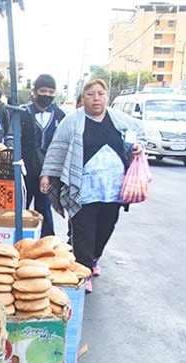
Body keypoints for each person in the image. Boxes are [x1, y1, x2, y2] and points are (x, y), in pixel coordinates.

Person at [40, 79, 142, 290]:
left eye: (100, 94)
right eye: (90, 94)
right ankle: (83, 270)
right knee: (83, 229)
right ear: (83, 98)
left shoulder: (120, 120)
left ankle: (94, 258)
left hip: (112, 189)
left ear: (107, 97)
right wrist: (47, 174)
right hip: (83, 188)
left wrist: (137, 149)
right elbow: (57, 149)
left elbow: (135, 140)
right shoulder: (72, 122)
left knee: (106, 226)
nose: (96, 98)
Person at [20, 74, 66, 237]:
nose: (46, 95)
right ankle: (20, 239)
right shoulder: (23, 113)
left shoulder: (60, 116)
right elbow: (12, 138)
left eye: (51, 92)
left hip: (48, 171)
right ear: (35, 91)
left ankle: (47, 242)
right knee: (21, 207)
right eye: (43, 91)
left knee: (44, 207)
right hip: (25, 169)